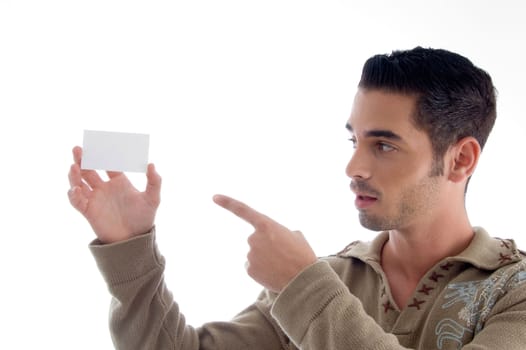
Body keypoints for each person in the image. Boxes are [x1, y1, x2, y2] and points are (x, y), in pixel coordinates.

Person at [67, 47, 526, 349]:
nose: (354, 168)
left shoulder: (516, 291)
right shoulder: (330, 279)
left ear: (462, 159)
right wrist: (131, 247)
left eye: (384, 145)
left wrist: (304, 287)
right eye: (355, 142)